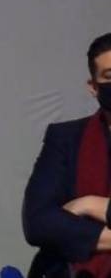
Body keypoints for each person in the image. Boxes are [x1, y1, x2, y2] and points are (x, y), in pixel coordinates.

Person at [24, 33, 111, 277]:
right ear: (93, 87)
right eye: (109, 76)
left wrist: (90, 204)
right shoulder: (66, 138)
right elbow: (38, 222)